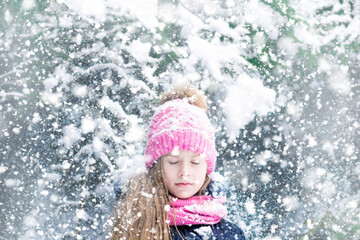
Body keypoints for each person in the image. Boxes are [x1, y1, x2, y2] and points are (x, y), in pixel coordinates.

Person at [107, 84, 245, 240]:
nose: (184, 172)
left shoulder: (228, 234)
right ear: (157, 166)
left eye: (195, 162)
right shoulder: (134, 221)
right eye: (173, 162)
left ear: (207, 167)